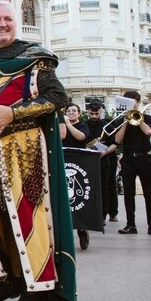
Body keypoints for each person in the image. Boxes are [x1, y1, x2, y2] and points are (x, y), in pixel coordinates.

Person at [0, 1, 76, 301]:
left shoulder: (35, 58)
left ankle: (31, 287)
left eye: (7, 19)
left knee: (26, 217)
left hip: (25, 150)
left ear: (17, 22)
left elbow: (57, 97)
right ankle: (3, 279)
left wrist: (14, 112)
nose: (2, 24)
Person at [111, 90, 151, 236]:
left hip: (144, 158)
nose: (131, 105)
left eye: (133, 102)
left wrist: (138, 117)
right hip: (129, 159)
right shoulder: (122, 119)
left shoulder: (147, 117)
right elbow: (117, 140)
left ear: (137, 103)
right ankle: (130, 224)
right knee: (128, 194)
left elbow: (148, 132)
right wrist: (126, 121)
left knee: (149, 193)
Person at [59, 104, 92, 249]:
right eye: (68, 111)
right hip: (64, 161)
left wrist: (67, 123)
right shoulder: (61, 125)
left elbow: (81, 137)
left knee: (78, 199)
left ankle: (82, 229)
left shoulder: (83, 126)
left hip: (79, 163)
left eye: (74, 111)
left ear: (79, 113)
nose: (71, 113)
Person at [87, 102, 118, 222]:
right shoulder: (85, 125)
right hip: (90, 159)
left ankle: (111, 212)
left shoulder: (107, 126)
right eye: (91, 113)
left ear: (101, 112)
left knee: (109, 185)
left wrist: (105, 152)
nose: (94, 116)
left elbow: (115, 143)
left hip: (107, 158)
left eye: (97, 113)